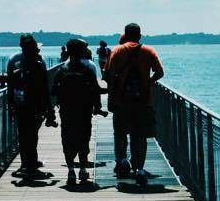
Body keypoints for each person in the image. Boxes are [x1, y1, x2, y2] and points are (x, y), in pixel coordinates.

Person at [103, 22, 164, 186]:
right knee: (140, 136)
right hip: (143, 102)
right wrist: (148, 83)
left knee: (120, 133)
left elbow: (109, 76)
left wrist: (111, 97)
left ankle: (122, 162)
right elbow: (160, 72)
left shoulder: (116, 51)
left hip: (121, 101)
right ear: (140, 35)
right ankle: (139, 169)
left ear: (124, 34)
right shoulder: (148, 51)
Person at [50, 38, 104, 187]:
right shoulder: (87, 70)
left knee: (67, 139)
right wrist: (97, 106)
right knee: (83, 139)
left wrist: (51, 110)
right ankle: (82, 169)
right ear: (81, 52)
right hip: (84, 111)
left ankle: (70, 171)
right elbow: (96, 90)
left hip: (67, 112)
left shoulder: (62, 70)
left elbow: (53, 91)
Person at [7, 34, 56, 180]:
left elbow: (10, 86)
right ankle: (31, 166)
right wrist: (50, 108)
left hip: (20, 105)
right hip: (35, 106)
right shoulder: (39, 64)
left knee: (23, 135)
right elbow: (45, 89)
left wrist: (10, 105)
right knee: (32, 136)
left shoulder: (14, 62)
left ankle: (26, 163)